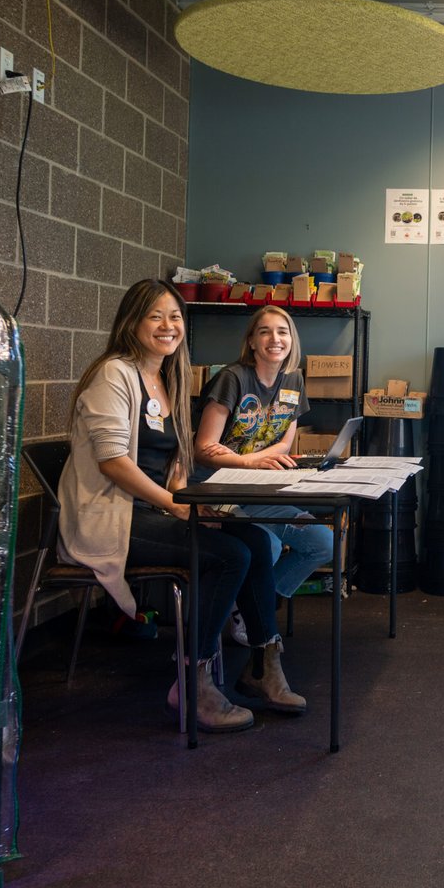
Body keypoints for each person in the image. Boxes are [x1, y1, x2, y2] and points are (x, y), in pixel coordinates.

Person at [58, 279, 294, 732]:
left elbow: (173, 462)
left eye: (176, 317)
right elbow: (113, 464)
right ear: (132, 322)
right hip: (111, 516)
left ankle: (264, 663)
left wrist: (192, 503)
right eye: (155, 316)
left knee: (251, 538)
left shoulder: (165, 378)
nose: (169, 326)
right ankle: (192, 681)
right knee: (228, 556)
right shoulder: (114, 373)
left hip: (151, 511)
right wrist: (177, 506)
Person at [193, 306, 332, 704]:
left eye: (283, 332)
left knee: (321, 542)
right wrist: (251, 460)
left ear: (292, 340)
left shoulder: (293, 380)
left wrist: (271, 461)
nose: (276, 339)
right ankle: (258, 637)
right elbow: (204, 449)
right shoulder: (232, 379)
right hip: (218, 490)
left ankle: (254, 607)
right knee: (266, 548)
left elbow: (286, 442)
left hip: (262, 487)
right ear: (251, 340)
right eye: (266, 332)